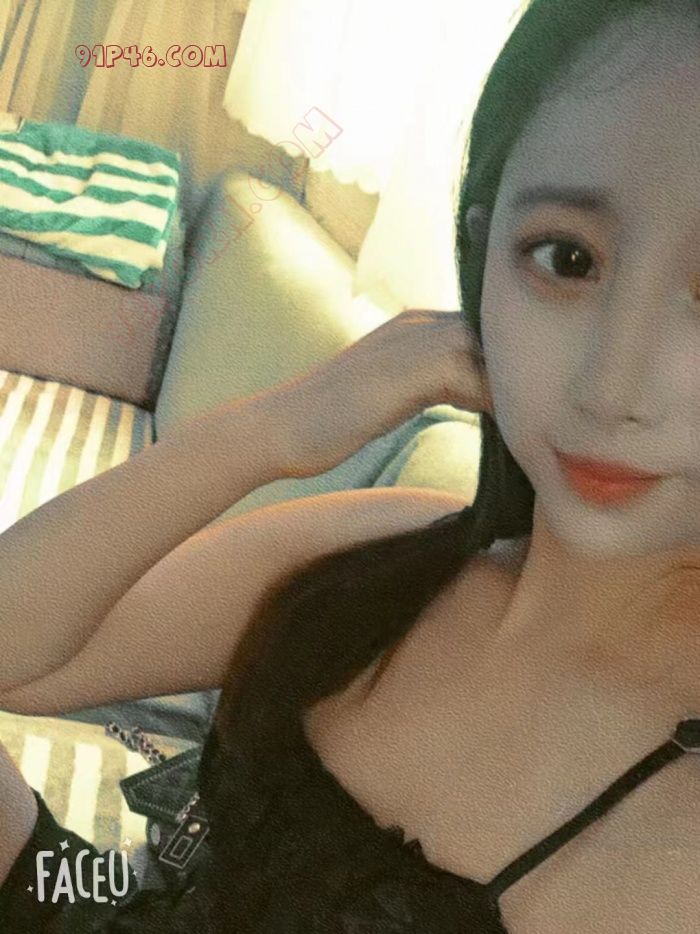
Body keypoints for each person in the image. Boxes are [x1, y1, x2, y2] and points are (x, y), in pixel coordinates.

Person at [0, 0, 698, 929]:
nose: (610, 387)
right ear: (482, 247)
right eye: (566, 258)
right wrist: (275, 431)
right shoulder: (386, 557)